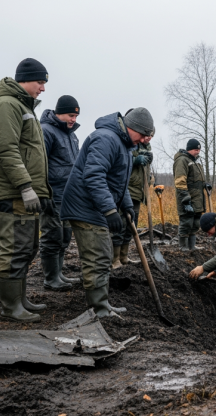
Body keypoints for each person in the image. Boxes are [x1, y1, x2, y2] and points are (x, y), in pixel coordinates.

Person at [61, 108, 153, 317]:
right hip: (85, 207)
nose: (145, 140)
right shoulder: (106, 139)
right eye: (144, 134)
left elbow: (119, 183)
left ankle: (102, 305)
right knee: (99, 258)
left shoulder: (125, 146)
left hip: (95, 207)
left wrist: (126, 204)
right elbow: (94, 176)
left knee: (102, 257)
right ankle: (99, 309)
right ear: (133, 128)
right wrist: (110, 210)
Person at [0, 58, 54, 323]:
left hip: (25, 192)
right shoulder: (6, 105)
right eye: (40, 82)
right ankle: (10, 306)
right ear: (25, 79)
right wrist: (25, 186)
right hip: (14, 192)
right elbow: (7, 149)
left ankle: (20, 299)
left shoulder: (21, 105)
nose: (43, 88)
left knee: (27, 246)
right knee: (15, 248)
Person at [39, 95, 81, 291]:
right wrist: (43, 192)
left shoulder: (72, 136)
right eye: (70, 115)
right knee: (52, 235)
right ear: (58, 113)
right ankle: (50, 278)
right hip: (52, 193)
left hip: (68, 195)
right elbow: (39, 164)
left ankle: (59, 274)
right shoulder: (46, 131)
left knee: (65, 235)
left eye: (75, 116)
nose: (73, 119)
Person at [113, 109, 154, 267]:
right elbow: (122, 163)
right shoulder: (129, 143)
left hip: (138, 193)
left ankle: (124, 256)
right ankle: (114, 259)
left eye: (150, 136)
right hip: (126, 190)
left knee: (132, 226)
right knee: (122, 224)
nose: (148, 138)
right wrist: (136, 160)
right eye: (146, 134)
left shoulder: (146, 146)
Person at [173, 139, 210, 251]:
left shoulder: (197, 162)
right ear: (189, 149)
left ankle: (192, 246)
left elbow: (198, 179)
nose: (198, 152)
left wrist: (205, 184)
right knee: (186, 222)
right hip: (187, 197)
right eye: (195, 149)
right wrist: (186, 200)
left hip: (198, 198)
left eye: (199, 149)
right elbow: (180, 182)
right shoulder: (182, 161)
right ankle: (183, 247)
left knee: (195, 223)